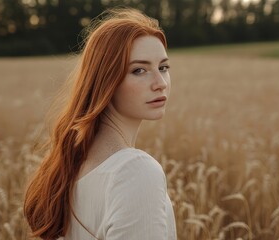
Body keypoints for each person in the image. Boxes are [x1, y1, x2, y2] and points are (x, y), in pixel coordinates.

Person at [24, 7, 176, 240]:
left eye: (163, 67)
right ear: (106, 80)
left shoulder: (71, 166)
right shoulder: (135, 171)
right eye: (139, 70)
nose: (160, 83)